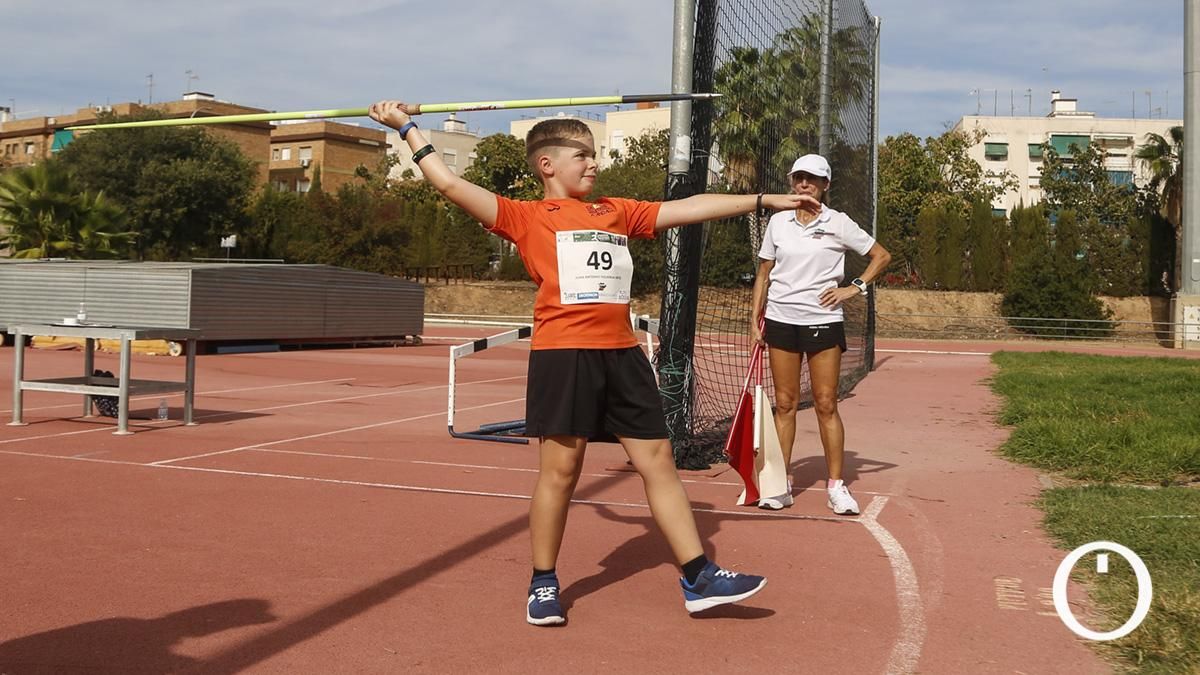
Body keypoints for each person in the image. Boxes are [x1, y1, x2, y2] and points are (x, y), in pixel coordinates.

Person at [369, 100, 820, 626]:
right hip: (564, 356)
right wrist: (405, 127)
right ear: (547, 165)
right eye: (582, 155)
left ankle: (698, 576)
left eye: (595, 155)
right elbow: (447, 183)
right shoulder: (525, 215)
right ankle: (542, 582)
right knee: (561, 472)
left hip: (624, 355)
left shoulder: (617, 211)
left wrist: (762, 200)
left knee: (660, 462)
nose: (593, 164)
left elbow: (690, 206)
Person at [749, 154, 892, 514]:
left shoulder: (839, 223)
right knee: (784, 404)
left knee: (826, 403)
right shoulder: (778, 223)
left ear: (826, 185)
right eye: (799, 178)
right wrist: (755, 317)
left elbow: (881, 256)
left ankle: (836, 486)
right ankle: (780, 486)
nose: (804, 184)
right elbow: (764, 273)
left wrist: (854, 287)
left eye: (812, 179)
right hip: (781, 320)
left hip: (823, 321)